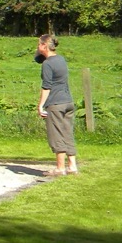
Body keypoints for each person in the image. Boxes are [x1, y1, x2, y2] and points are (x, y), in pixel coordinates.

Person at [36, 34, 79, 175]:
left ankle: (60, 168)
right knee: (67, 133)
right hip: (68, 102)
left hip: (55, 103)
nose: (37, 47)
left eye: (38, 45)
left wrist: (41, 105)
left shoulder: (47, 64)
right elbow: (38, 59)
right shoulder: (61, 59)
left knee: (56, 135)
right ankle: (72, 166)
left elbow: (47, 86)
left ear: (44, 46)